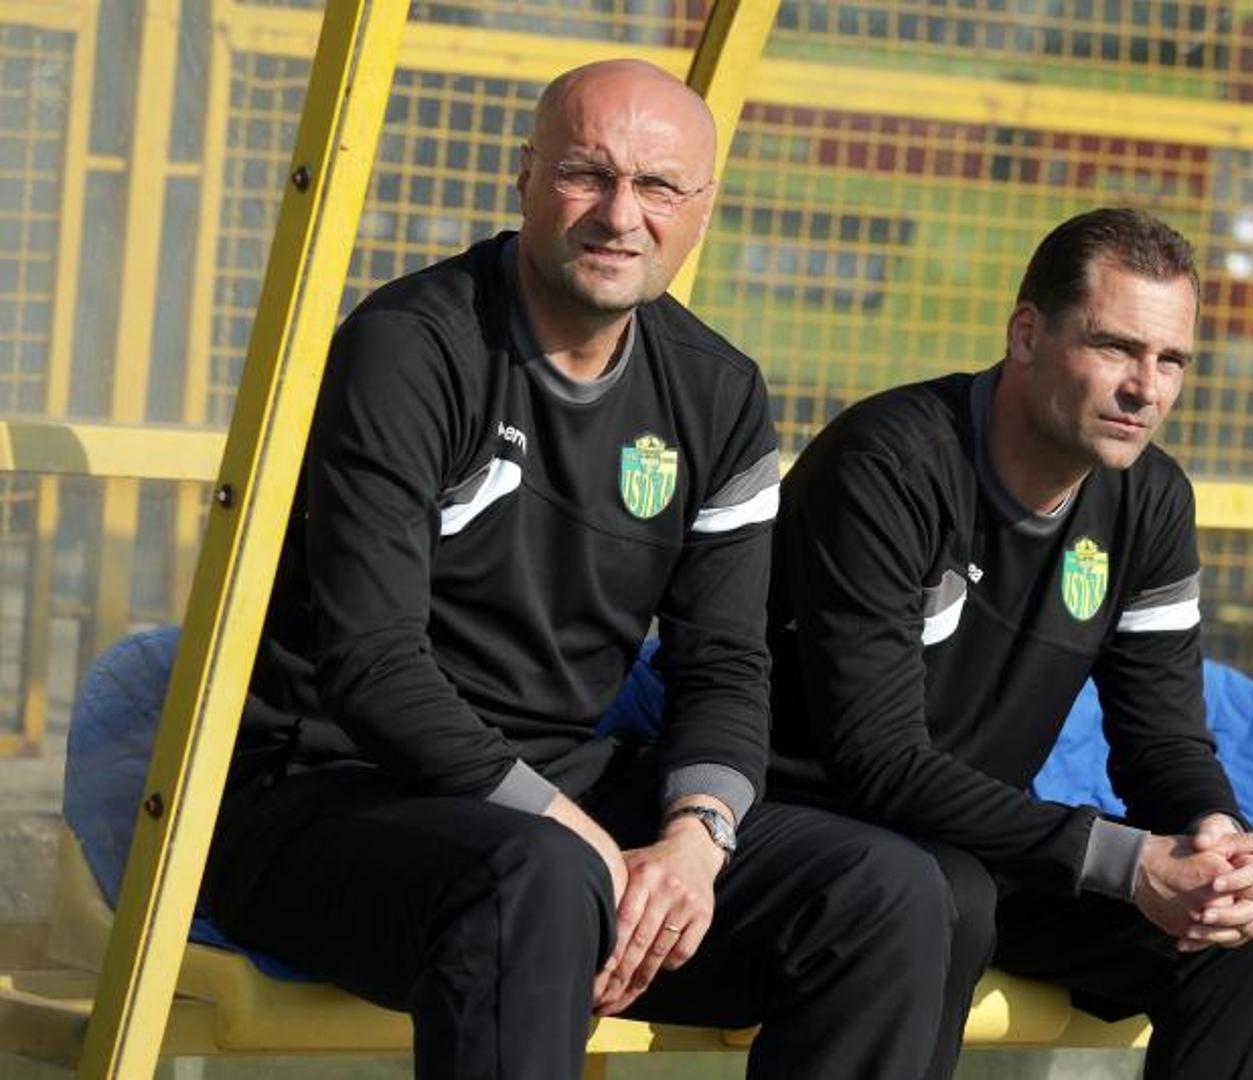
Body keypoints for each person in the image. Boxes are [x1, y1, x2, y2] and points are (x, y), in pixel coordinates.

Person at [202, 59, 953, 1079]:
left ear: (701, 209)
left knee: (883, 891)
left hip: (554, 796)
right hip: (328, 795)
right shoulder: (407, 347)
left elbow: (726, 667)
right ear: (524, 177)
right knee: (542, 878)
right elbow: (372, 665)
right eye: (585, 174)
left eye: (658, 187)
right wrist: (575, 835)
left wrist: (695, 840)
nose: (619, 215)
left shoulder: (721, 393)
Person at [767, 207, 1253, 1079]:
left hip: (979, 843)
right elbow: (875, 760)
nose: (1146, 389)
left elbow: (1162, 739)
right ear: (1026, 334)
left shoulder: (1151, 500)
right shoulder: (887, 466)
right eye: (1115, 348)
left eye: (1171, 359)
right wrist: (1123, 861)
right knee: (943, 894)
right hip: (817, 835)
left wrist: (1212, 837)